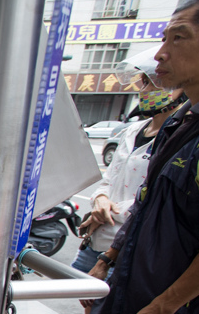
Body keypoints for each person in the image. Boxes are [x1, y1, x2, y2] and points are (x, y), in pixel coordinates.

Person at [83, 0, 199, 314]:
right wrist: (105, 262)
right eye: (163, 38)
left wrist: (162, 309)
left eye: (178, 37)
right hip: (124, 294)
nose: (160, 54)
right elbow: (146, 203)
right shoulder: (182, 122)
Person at [72, 51, 185, 289]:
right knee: (85, 304)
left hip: (126, 247)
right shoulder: (132, 131)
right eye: (143, 83)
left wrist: (104, 213)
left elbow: (155, 199)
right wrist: (100, 199)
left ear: (174, 91)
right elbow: (109, 179)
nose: (142, 91)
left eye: (149, 84)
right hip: (97, 238)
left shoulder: (180, 138)